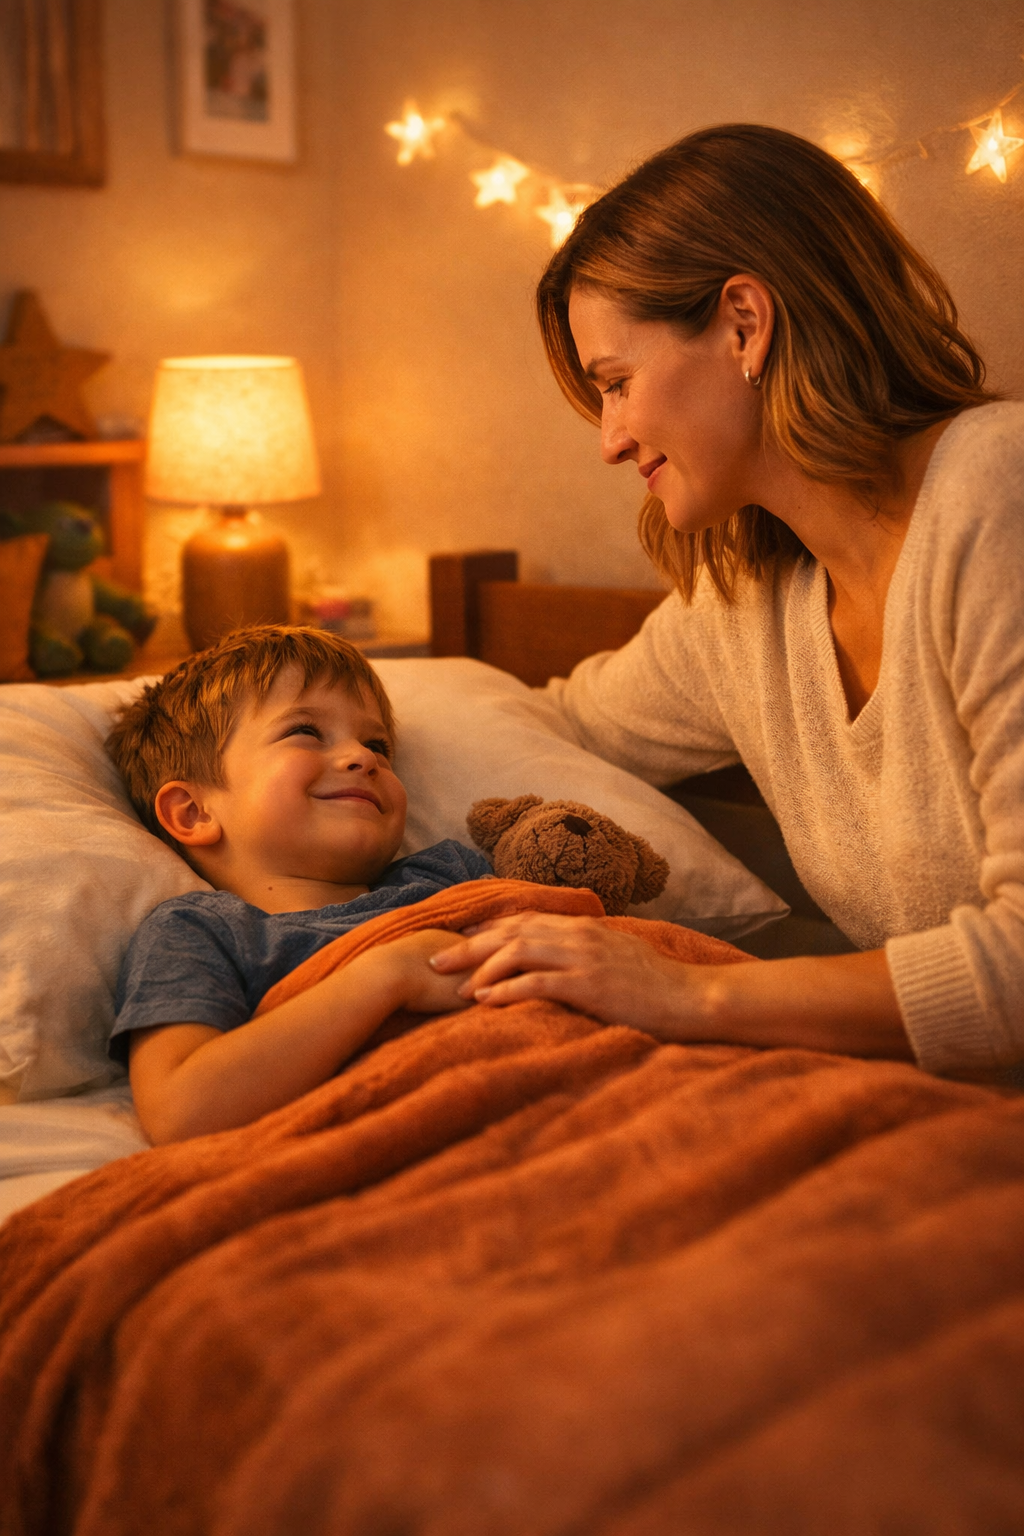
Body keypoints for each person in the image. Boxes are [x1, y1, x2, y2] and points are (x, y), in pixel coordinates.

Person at [431, 124, 1024, 1082]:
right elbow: (559, 726)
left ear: (745, 323)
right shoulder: (750, 602)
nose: (610, 441)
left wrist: (685, 991)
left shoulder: (998, 488)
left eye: (616, 385)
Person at [106, 626, 488, 1144]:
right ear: (194, 812)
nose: (363, 757)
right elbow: (182, 1110)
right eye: (305, 732)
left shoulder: (447, 876)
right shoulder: (200, 932)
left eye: (377, 744)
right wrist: (391, 973)